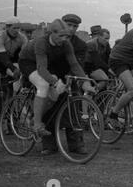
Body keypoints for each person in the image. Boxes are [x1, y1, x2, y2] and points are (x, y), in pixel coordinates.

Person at [18, 19, 95, 147]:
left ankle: (35, 116)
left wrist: (86, 81)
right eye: (61, 36)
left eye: (67, 36)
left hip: (44, 64)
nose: (64, 39)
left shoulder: (66, 44)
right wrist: (54, 82)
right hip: (28, 62)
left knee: (57, 91)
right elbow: (41, 69)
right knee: (43, 85)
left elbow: (74, 65)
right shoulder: (42, 43)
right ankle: (37, 124)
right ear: (52, 33)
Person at [0, 17, 27, 125]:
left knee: (18, 85)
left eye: (18, 28)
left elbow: (25, 55)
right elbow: (2, 56)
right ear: (7, 27)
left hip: (10, 63)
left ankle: (11, 112)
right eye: (14, 28)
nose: (17, 30)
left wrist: (23, 70)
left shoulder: (22, 38)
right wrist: (14, 69)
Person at [84, 25, 112, 91]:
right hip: (87, 67)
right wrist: (109, 69)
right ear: (99, 36)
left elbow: (109, 57)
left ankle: (98, 94)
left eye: (108, 38)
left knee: (107, 79)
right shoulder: (91, 44)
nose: (107, 41)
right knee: (104, 79)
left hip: (97, 67)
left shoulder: (106, 45)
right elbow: (97, 60)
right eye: (106, 38)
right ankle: (92, 92)